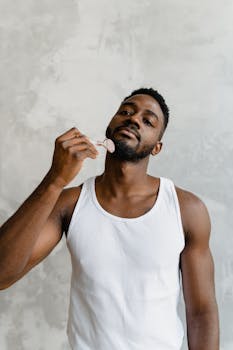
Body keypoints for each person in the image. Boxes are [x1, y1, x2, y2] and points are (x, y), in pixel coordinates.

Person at [0, 88, 219, 349]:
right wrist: (55, 179)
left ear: (157, 147)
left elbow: (201, 313)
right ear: (109, 126)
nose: (134, 119)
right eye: (125, 111)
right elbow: (2, 274)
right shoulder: (71, 203)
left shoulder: (186, 209)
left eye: (148, 120)